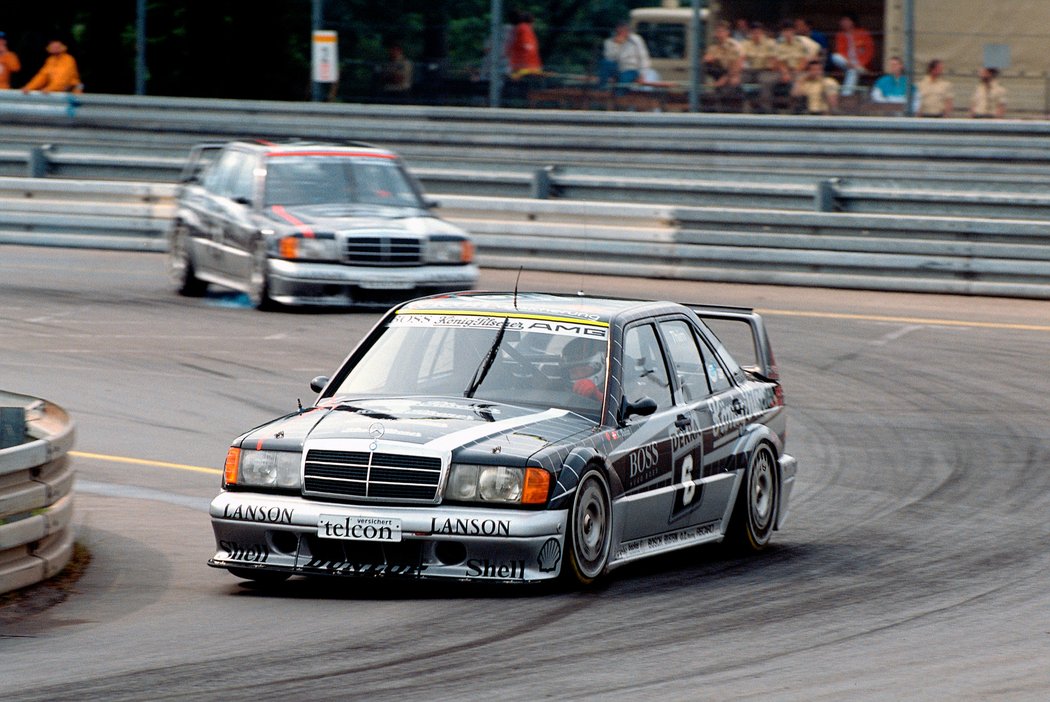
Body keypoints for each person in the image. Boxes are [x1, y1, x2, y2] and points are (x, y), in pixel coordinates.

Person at [740, 23, 781, 113]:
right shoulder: (746, 43)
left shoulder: (770, 43)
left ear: (762, 33)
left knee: (765, 81)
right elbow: (741, 59)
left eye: (758, 32)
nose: (756, 35)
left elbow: (774, 61)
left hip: (766, 70)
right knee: (737, 80)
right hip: (750, 71)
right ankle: (742, 108)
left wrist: (770, 66)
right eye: (754, 32)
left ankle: (765, 109)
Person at [831, 13, 875, 97]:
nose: (843, 23)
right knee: (835, 57)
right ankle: (855, 68)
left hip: (861, 65)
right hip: (846, 63)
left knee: (852, 71)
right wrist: (849, 63)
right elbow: (840, 52)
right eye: (842, 21)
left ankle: (846, 96)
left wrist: (861, 64)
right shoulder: (840, 35)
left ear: (852, 22)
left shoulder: (863, 33)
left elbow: (869, 52)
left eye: (846, 20)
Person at [598, 20, 651, 88]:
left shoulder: (636, 40)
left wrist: (642, 74)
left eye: (625, 30)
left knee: (623, 82)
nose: (622, 32)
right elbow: (609, 58)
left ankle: (619, 96)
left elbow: (643, 58)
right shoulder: (609, 42)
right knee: (605, 63)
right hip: (617, 68)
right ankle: (602, 89)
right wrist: (617, 45)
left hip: (631, 69)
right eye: (620, 30)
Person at [561, 338, 604, 403]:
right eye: (574, 372)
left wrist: (597, 395)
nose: (580, 375)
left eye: (584, 370)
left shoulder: (617, 389)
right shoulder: (556, 389)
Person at [506, 9, 542, 79]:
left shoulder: (518, 28)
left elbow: (509, 47)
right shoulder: (524, 28)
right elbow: (528, 47)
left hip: (519, 65)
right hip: (525, 67)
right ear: (531, 21)